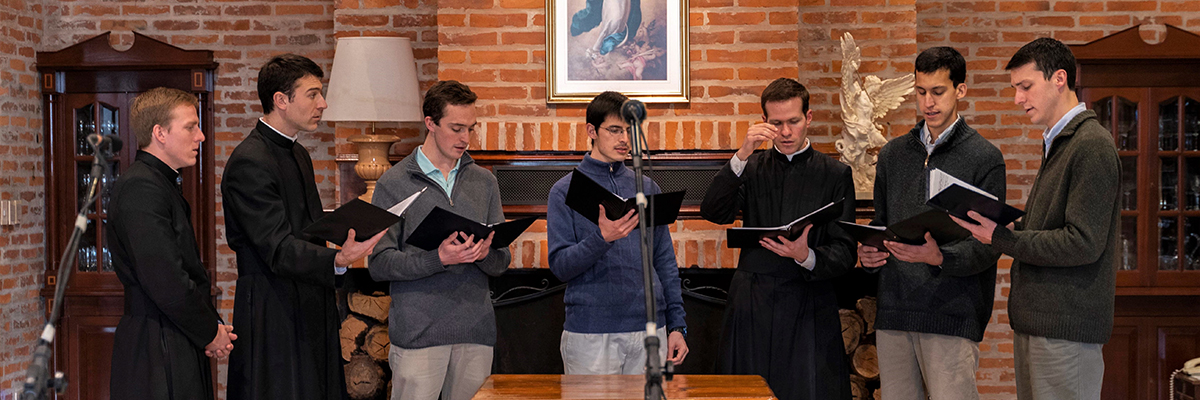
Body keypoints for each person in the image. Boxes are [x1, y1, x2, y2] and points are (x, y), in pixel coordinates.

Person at [953, 37, 1119, 400]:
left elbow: (1083, 242)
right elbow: (1052, 225)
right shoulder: (1060, 142)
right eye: (1016, 89)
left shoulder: (1091, 145)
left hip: (1066, 330)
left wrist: (1003, 237)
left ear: (1059, 79)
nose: (1018, 99)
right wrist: (1015, 225)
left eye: (1025, 86)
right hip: (1040, 324)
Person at [223, 54, 384, 400]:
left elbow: (310, 231)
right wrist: (337, 261)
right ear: (281, 100)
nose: (322, 103)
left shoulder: (299, 154)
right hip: (272, 309)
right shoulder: (249, 161)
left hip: (309, 299)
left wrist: (348, 232)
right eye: (312, 94)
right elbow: (277, 247)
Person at [858, 47, 1005, 400]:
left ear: (960, 90)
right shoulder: (893, 155)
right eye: (921, 92)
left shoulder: (985, 158)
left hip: (951, 315)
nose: (928, 102)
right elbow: (882, 223)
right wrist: (868, 254)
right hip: (894, 312)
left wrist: (940, 258)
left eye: (938, 92)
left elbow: (990, 244)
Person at [701, 77, 857, 400]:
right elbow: (714, 211)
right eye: (776, 123)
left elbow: (845, 252)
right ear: (764, 123)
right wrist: (743, 153)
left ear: (808, 118)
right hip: (753, 302)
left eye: (793, 122)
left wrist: (806, 255)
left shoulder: (835, 174)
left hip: (809, 302)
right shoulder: (752, 167)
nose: (786, 132)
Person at [369, 80, 512, 400]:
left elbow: (502, 261)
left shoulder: (484, 181)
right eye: (457, 128)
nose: (465, 139)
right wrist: (439, 258)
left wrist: (483, 254)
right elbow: (379, 263)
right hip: (418, 337)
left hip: (476, 335)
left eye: (471, 129)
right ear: (430, 123)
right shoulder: (393, 183)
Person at [547, 91, 689, 375]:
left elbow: (664, 262)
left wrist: (677, 324)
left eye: (630, 130)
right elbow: (560, 267)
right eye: (614, 130)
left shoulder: (647, 188)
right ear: (592, 131)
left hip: (652, 328)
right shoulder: (564, 191)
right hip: (591, 333)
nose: (625, 139)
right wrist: (602, 239)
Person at [108, 87, 235, 400]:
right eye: (190, 127)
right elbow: (165, 279)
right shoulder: (142, 187)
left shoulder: (158, 182)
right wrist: (210, 332)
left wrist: (213, 327)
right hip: (155, 342)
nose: (201, 136)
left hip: (172, 333)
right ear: (159, 133)